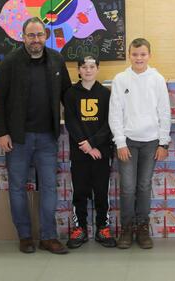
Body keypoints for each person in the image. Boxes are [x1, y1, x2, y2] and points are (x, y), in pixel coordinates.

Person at [0, 17, 72, 255]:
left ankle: (48, 237)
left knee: (49, 188)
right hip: (18, 138)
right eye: (31, 35)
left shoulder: (56, 60)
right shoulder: (9, 63)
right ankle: (25, 236)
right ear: (23, 37)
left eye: (39, 35)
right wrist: (2, 132)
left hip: (48, 137)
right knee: (17, 188)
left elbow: (67, 94)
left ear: (46, 36)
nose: (36, 40)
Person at [108, 38, 171, 250]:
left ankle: (142, 228)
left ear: (149, 55)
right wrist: (120, 142)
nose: (139, 58)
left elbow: (164, 112)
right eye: (135, 54)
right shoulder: (120, 79)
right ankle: (126, 228)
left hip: (151, 142)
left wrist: (163, 143)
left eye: (143, 54)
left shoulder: (157, 79)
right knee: (127, 188)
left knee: (144, 186)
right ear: (129, 55)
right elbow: (115, 113)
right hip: (127, 142)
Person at [62, 56, 116, 249]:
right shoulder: (70, 94)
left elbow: (109, 123)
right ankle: (80, 228)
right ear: (78, 70)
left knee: (101, 192)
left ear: (97, 69)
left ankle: (103, 227)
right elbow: (71, 122)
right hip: (79, 153)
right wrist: (85, 146)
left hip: (101, 152)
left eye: (92, 67)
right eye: (84, 67)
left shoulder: (106, 94)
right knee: (80, 192)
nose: (88, 70)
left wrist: (93, 144)